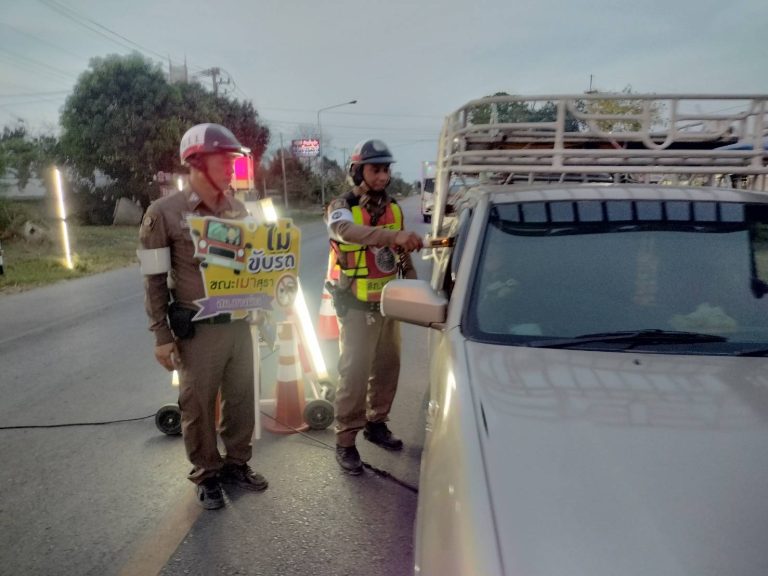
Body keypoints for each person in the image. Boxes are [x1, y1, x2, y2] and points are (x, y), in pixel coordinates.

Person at [138, 123, 267, 510]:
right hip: (198, 330)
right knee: (197, 405)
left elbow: (251, 265)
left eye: (231, 161)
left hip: (239, 324)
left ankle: (237, 463)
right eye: (222, 161)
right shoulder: (164, 213)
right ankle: (207, 473)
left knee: (241, 399)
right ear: (196, 162)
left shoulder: (237, 209)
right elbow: (154, 280)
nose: (231, 168)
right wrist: (161, 336)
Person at [325, 139, 424, 475]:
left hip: (388, 304)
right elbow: (345, 232)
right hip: (356, 305)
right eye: (375, 169)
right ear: (358, 171)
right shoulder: (342, 206)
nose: (383, 176)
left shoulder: (394, 208)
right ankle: (345, 440)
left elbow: (402, 254)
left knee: (387, 368)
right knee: (354, 375)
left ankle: (376, 423)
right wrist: (392, 237)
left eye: (386, 170)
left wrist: (414, 287)